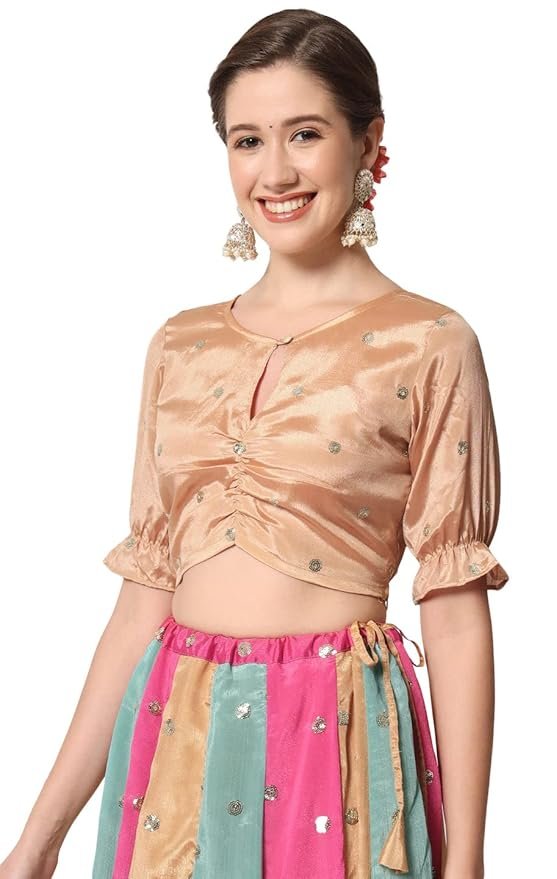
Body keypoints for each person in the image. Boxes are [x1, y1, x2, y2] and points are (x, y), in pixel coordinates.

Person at [0, 9, 508, 879]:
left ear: (368, 143)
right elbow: (142, 601)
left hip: (336, 738)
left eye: (304, 134)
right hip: (174, 732)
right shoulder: (180, 344)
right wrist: (36, 839)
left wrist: (465, 862)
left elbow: (455, 616)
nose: (274, 172)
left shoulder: (427, 343)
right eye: (247, 140)